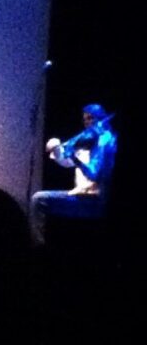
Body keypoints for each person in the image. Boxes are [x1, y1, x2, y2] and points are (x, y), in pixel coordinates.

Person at [30, 103, 117, 244]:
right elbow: (65, 161)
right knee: (39, 199)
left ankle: (37, 249)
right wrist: (56, 148)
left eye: (91, 118)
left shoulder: (105, 141)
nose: (87, 122)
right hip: (80, 197)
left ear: (100, 119)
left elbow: (94, 174)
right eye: (85, 119)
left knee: (39, 200)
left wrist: (75, 159)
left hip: (95, 202)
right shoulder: (86, 141)